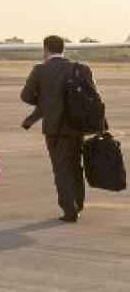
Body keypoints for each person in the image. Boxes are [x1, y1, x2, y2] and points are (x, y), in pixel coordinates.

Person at [20, 35, 93, 222]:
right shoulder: (80, 69)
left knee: (61, 169)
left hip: (54, 128)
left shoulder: (40, 70)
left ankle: (70, 210)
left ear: (46, 49)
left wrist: (46, 102)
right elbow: (91, 97)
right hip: (77, 127)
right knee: (76, 166)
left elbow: (26, 96)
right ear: (63, 49)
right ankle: (79, 202)